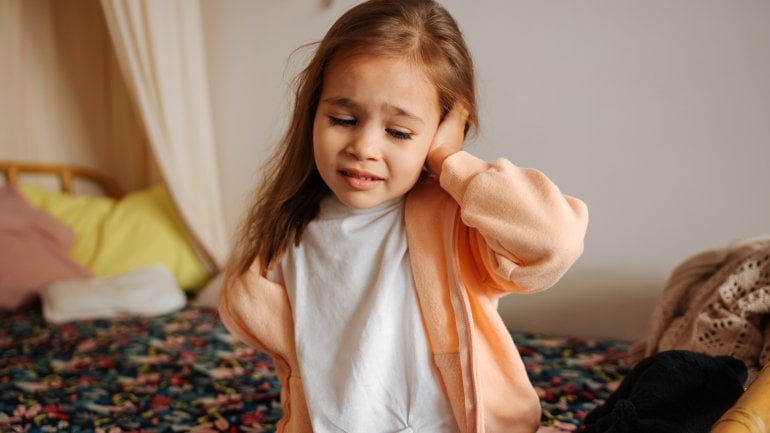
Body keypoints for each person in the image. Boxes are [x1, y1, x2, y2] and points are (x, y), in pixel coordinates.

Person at [218, 0, 589, 432]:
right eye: (342, 118)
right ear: (312, 112)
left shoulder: (457, 222)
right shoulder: (289, 232)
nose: (364, 147)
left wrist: (451, 160)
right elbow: (300, 379)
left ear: (439, 130)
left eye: (398, 132)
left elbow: (554, 241)